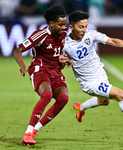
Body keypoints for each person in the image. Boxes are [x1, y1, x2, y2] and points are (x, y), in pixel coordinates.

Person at [59, 10, 123, 131]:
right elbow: (60, 65)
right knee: (120, 94)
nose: (84, 30)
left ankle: (80, 108)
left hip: (101, 76)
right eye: (81, 27)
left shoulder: (91, 35)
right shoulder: (65, 44)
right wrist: (64, 61)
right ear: (71, 27)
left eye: (86, 26)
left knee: (103, 101)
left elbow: (112, 41)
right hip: (89, 83)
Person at [13, 4, 72, 146]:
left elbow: (61, 58)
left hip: (56, 72)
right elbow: (18, 50)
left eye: (64, 24)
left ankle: (35, 131)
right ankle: (27, 133)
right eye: (60, 25)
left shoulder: (64, 35)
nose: (63, 27)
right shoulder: (40, 35)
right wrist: (22, 66)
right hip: (40, 69)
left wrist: (66, 60)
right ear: (51, 23)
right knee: (46, 95)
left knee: (63, 98)